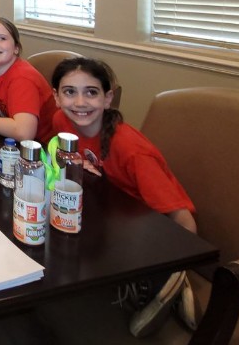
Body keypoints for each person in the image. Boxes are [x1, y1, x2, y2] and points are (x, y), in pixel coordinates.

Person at [50, 57, 197, 336]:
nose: (80, 103)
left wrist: (177, 258)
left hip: (147, 229)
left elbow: (185, 223)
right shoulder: (61, 120)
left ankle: (170, 278)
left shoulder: (132, 150)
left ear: (108, 99)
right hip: (109, 220)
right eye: (69, 92)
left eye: (91, 92)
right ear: (56, 97)